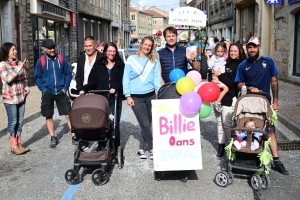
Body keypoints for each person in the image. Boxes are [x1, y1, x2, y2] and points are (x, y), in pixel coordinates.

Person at [235, 36, 289, 175]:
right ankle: (245, 157)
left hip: (265, 102)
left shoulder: (268, 61)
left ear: (259, 47)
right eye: (249, 47)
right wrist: (249, 86)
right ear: (247, 48)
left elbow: (274, 82)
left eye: (254, 47)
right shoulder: (242, 65)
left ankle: (276, 160)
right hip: (249, 102)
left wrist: (275, 102)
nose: (252, 49)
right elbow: (239, 84)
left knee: (270, 131)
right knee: (247, 128)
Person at [79, 42, 124, 148]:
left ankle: (115, 146)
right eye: (109, 51)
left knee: (115, 123)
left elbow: (123, 80)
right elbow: (92, 81)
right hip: (101, 98)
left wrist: (116, 88)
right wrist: (84, 89)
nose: (112, 53)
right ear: (105, 52)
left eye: (114, 51)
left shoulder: (120, 64)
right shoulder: (98, 64)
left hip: (115, 98)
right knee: (101, 123)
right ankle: (101, 143)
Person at [123, 36, 161, 160]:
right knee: (144, 124)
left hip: (150, 95)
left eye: (150, 46)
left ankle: (142, 148)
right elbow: (126, 78)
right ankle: (151, 147)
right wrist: (128, 95)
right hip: (136, 97)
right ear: (141, 44)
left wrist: (159, 93)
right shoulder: (131, 59)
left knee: (149, 124)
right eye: (145, 44)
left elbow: (156, 78)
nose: (147, 47)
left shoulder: (153, 61)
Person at [34, 39, 72, 148]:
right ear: (45, 49)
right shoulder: (40, 61)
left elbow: (68, 74)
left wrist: (65, 87)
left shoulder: (61, 58)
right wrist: (43, 89)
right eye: (49, 48)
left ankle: (74, 135)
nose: (52, 50)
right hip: (48, 92)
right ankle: (53, 137)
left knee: (69, 114)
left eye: (53, 47)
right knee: (48, 115)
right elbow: (37, 77)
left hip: (61, 90)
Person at [210, 43, 246, 157]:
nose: (233, 53)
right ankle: (221, 145)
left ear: (240, 51)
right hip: (218, 96)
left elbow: (231, 84)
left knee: (227, 123)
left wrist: (220, 75)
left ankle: (232, 145)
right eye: (231, 51)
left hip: (230, 98)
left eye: (235, 51)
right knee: (219, 122)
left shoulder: (241, 65)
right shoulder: (226, 62)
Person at [0, 42, 30, 155]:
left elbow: (23, 79)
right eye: (13, 49)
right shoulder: (3, 65)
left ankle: (19, 144)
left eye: (16, 49)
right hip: (10, 99)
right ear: (6, 51)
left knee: (20, 121)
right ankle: (13, 146)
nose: (15, 51)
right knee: (13, 122)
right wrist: (19, 67)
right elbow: (8, 79)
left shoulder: (18, 63)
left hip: (21, 96)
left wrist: (26, 88)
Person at [74, 36, 102, 146]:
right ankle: (84, 139)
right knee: (84, 116)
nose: (88, 48)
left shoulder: (101, 57)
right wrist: (80, 88)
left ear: (95, 45)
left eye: (90, 45)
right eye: (86, 46)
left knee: (97, 116)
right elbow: (78, 75)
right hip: (84, 93)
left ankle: (100, 140)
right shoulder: (81, 58)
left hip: (98, 92)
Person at [206, 42, 229, 112]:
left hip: (221, 77)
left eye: (221, 51)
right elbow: (210, 66)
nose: (219, 53)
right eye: (218, 51)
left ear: (224, 51)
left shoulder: (223, 58)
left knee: (222, 89)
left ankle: (217, 101)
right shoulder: (214, 57)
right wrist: (208, 58)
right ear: (215, 51)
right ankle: (217, 102)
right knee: (225, 88)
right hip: (216, 77)